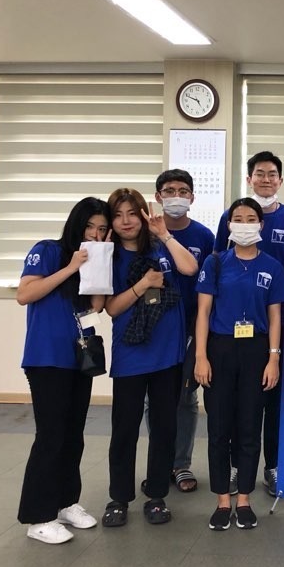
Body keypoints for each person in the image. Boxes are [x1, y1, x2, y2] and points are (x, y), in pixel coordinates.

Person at [16, 197, 111, 544]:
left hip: (79, 357)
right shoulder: (48, 250)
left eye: (102, 230)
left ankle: (66, 502)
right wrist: (71, 267)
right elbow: (25, 294)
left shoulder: (93, 258)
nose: (95, 234)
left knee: (73, 434)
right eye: (90, 227)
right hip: (46, 358)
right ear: (76, 224)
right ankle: (38, 516)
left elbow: (95, 307)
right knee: (51, 435)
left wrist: (99, 265)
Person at [102, 188, 199, 528]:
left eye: (133, 213)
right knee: (124, 430)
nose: (126, 221)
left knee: (164, 428)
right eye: (118, 215)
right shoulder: (109, 257)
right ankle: (119, 498)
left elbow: (190, 268)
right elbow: (111, 308)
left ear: (144, 215)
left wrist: (165, 234)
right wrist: (142, 285)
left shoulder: (160, 248)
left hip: (168, 355)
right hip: (130, 355)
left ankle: (157, 494)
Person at [196, 197, 284, 531]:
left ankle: (245, 499)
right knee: (219, 428)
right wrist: (201, 357)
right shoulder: (215, 262)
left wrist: (273, 358)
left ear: (261, 225)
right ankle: (223, 500)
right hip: (220, 349)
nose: (245, 224)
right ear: (229, 225)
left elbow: (275, 316)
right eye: (238, 218)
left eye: (252, 219)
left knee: (251, 427)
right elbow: (203, 313)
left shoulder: (272, 266)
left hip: (256, 351)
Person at [215, 151, 284, 497]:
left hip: (276, 320)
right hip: (233, 330)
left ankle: (272, 466)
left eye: (272, 174)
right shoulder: (229, 218)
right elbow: (217, 262)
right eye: (259, 173)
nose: (266, 179)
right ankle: (235, 467)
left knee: (271, 398)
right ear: (249, 178)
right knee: (236, 402)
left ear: (280, 180)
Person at [148, 169, 215, 494]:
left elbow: (208, 282)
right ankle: (159, 462)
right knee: (155, 399)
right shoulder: (146, 234)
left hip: (190, 327)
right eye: (169, 190)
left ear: (192, 197)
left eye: (183, 191)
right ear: (158, 196)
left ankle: (181, 463)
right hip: (154, 329)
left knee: (186, 397)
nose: (176, 196)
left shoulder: (204, 236)